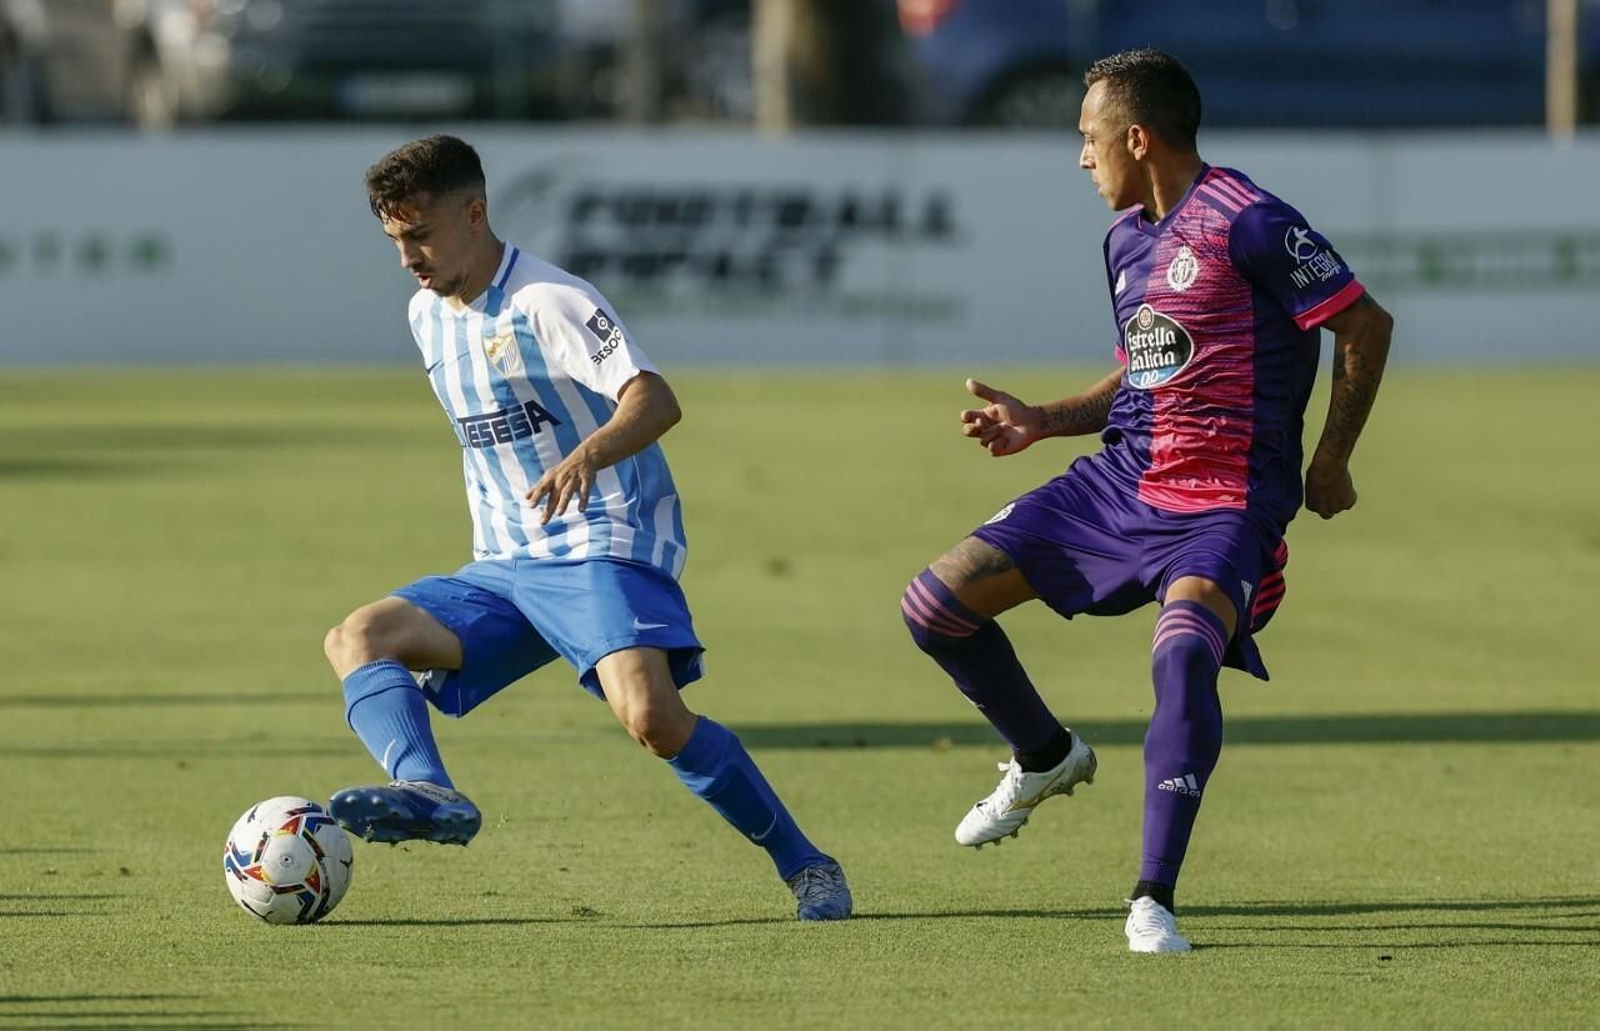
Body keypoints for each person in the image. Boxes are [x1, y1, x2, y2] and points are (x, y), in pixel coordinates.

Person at [901, 49, 1392, 953]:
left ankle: (1151, 898)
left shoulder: (1249, 221)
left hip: (1226, 499)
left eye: (1089, 139)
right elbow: (1146, 368)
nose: (1081, 159)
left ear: (1137, 136)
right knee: (935, 604)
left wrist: (1332, 458)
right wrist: (1041, 420)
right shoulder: (1127, 238)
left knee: (1181, 659)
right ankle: (1045, 755)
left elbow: (1363, 322)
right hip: (1122, 482)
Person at [324, 134, 851, 921]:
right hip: (505, 566)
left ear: (475, 213)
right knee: (357, 638)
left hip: (600, 542)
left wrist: (588, 454)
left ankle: (808, 865)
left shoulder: (549, 298)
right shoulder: (424, 314)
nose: (409, 257)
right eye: (396, 241)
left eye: (421, 235)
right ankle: (426, 787)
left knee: (652, 719)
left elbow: (655, 398)